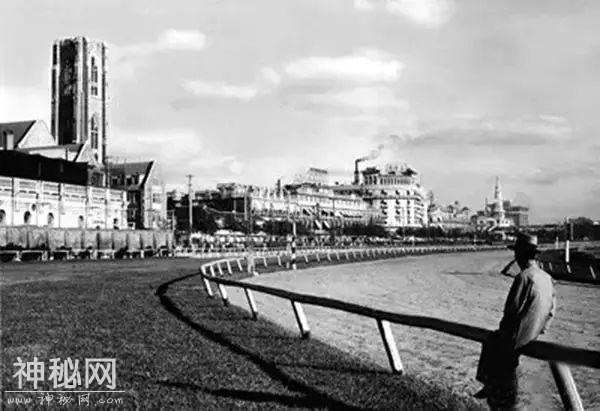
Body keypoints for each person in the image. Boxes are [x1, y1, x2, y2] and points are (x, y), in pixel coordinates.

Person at [474, 233, 556, 409]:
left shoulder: (523, 277)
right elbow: (551, 311)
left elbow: (511, 311)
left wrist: (504, 333)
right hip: (536, 331)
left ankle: (488, 382)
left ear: (520, 255)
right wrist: (540, 330)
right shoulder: (546, 278)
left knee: (492, 341)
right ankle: (492, 384)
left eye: (517, 253)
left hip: (519, 335)